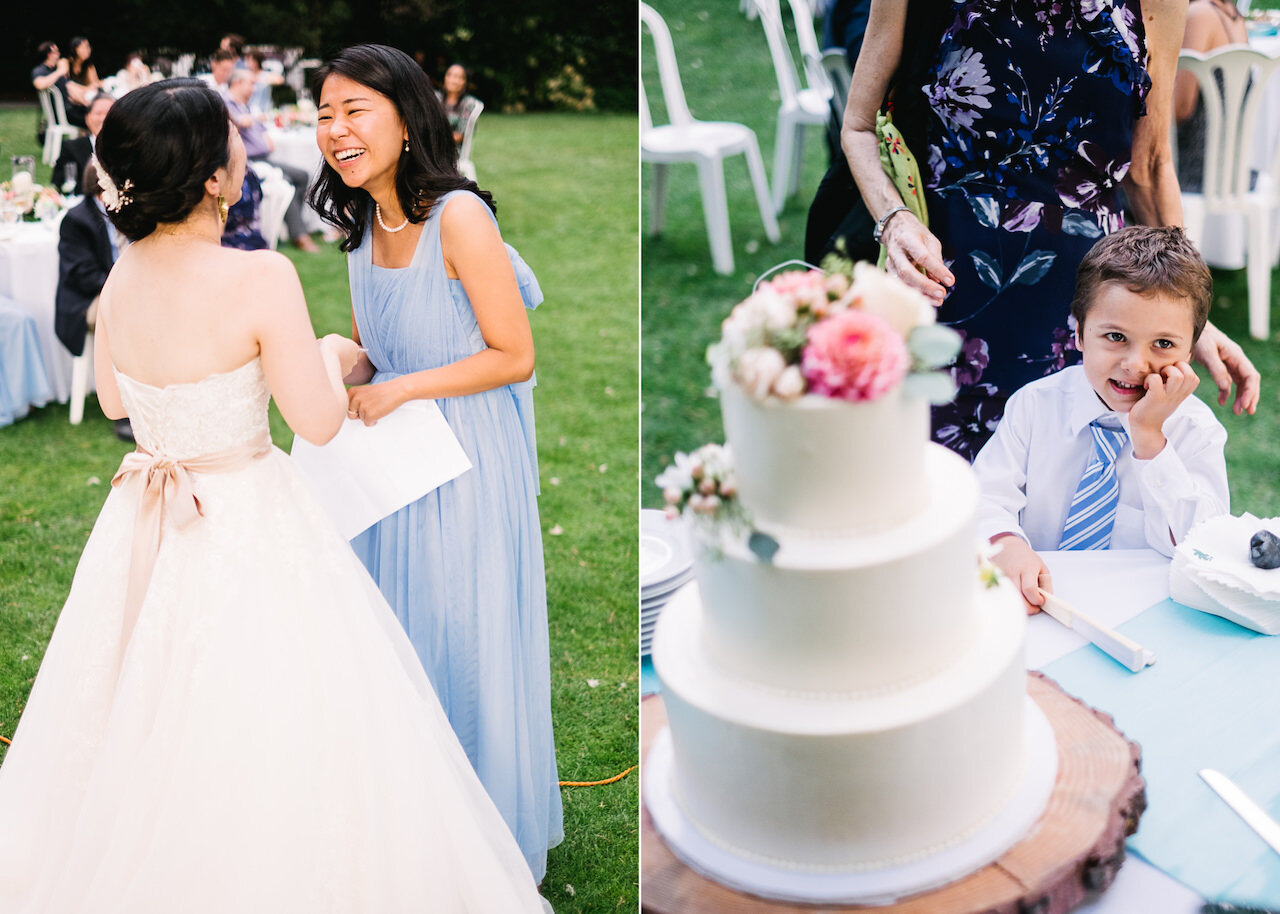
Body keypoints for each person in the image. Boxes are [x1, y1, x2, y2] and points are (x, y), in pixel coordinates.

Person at [0, 78, 544, 913]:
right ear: (214, 178)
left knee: (143, 693)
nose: (242, 152)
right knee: (278, 697)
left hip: (145, 512)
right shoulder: (260, 277)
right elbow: (319, 422)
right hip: (244, 510)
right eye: (231, 143)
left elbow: (114, 402)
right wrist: (326, 352)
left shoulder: (120, 279)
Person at [309, 44, 563, 883]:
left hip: (466, 461)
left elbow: (513, 354)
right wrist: (344, 364)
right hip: (398, 465)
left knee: (463, 634)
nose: (336, 130)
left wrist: (403, 385)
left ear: (407, 114)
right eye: (324, 114)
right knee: (400, 641)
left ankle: (483, 837)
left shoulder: (458, 217)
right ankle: (418, 826)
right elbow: (385, 358)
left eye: (355, 110)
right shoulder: (357, 229)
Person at [840, 0, 1260, 463]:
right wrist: (895, 220)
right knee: (943, 493)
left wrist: (1189, 315)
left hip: (1093, 312)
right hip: (949, 287)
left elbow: (1150, 166)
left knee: (1069, 501)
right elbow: (859, 127)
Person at [974, 226, 1229, 612]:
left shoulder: (1197, 431)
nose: (1135, 365)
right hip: (1039, 603)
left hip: (1146, 615)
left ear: (1190, 352)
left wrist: (1149, 438)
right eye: (1115, 336)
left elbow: (1203, 547)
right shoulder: (1034, 407)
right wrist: (1005, 541)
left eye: (1163, 344)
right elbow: (985, 495)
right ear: (1078, 333)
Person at [54, 159, 133, 442]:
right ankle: (124, 409)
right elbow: (80, 274)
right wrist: (124, 286)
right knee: (127, 314)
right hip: (84, 302)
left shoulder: (127, 215)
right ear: (103, 187)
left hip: (124, 290)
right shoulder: (77, 219)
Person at [226, 68, 320, 251]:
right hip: (249, 162)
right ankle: (299, 235)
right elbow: (235, 125)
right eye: (251, 83)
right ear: (237, 83)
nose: (254, 88)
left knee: (302, 176)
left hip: (264, 158)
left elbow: (261, 131)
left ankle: (292, 225)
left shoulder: (245, 104)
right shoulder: (227, 103)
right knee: (283, 182)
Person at [1175, 0, 1249, 193]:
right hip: (1230, 168)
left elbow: (1179, 110)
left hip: (1193, 167)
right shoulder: (1233, 15)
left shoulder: (1199, 15)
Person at [52, 92, 113, 193]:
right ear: (87, 118)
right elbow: (57, 186)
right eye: (98, 113)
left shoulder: (127, 148)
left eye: (108, 113)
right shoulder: (71, 148)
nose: (103, 118)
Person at [31, 41, 87, 128]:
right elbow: (39, 84)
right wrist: (60, 72)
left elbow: (71, 87)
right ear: (49, 54)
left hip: (70, 110)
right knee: (96, 118)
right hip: (64, 114)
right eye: (56, 52)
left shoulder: (56, 70)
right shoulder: (41, 70)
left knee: (94, 111)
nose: (59, 54)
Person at [437, 63, 480, 149]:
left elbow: (461, 136)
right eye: (449, 75)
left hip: (453, 152)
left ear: (465, 82)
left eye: (458, 77)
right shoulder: (436, 98)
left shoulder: (469, 104)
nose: (453, 80)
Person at [67, 37, 101, 101]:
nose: (88, 50)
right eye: (84, 47)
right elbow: (67, 84)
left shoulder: (89, 66)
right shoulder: (67, 63)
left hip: (83, 96)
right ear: (75, 49)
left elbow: (95, 84)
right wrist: (87, 88)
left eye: (88, 47)